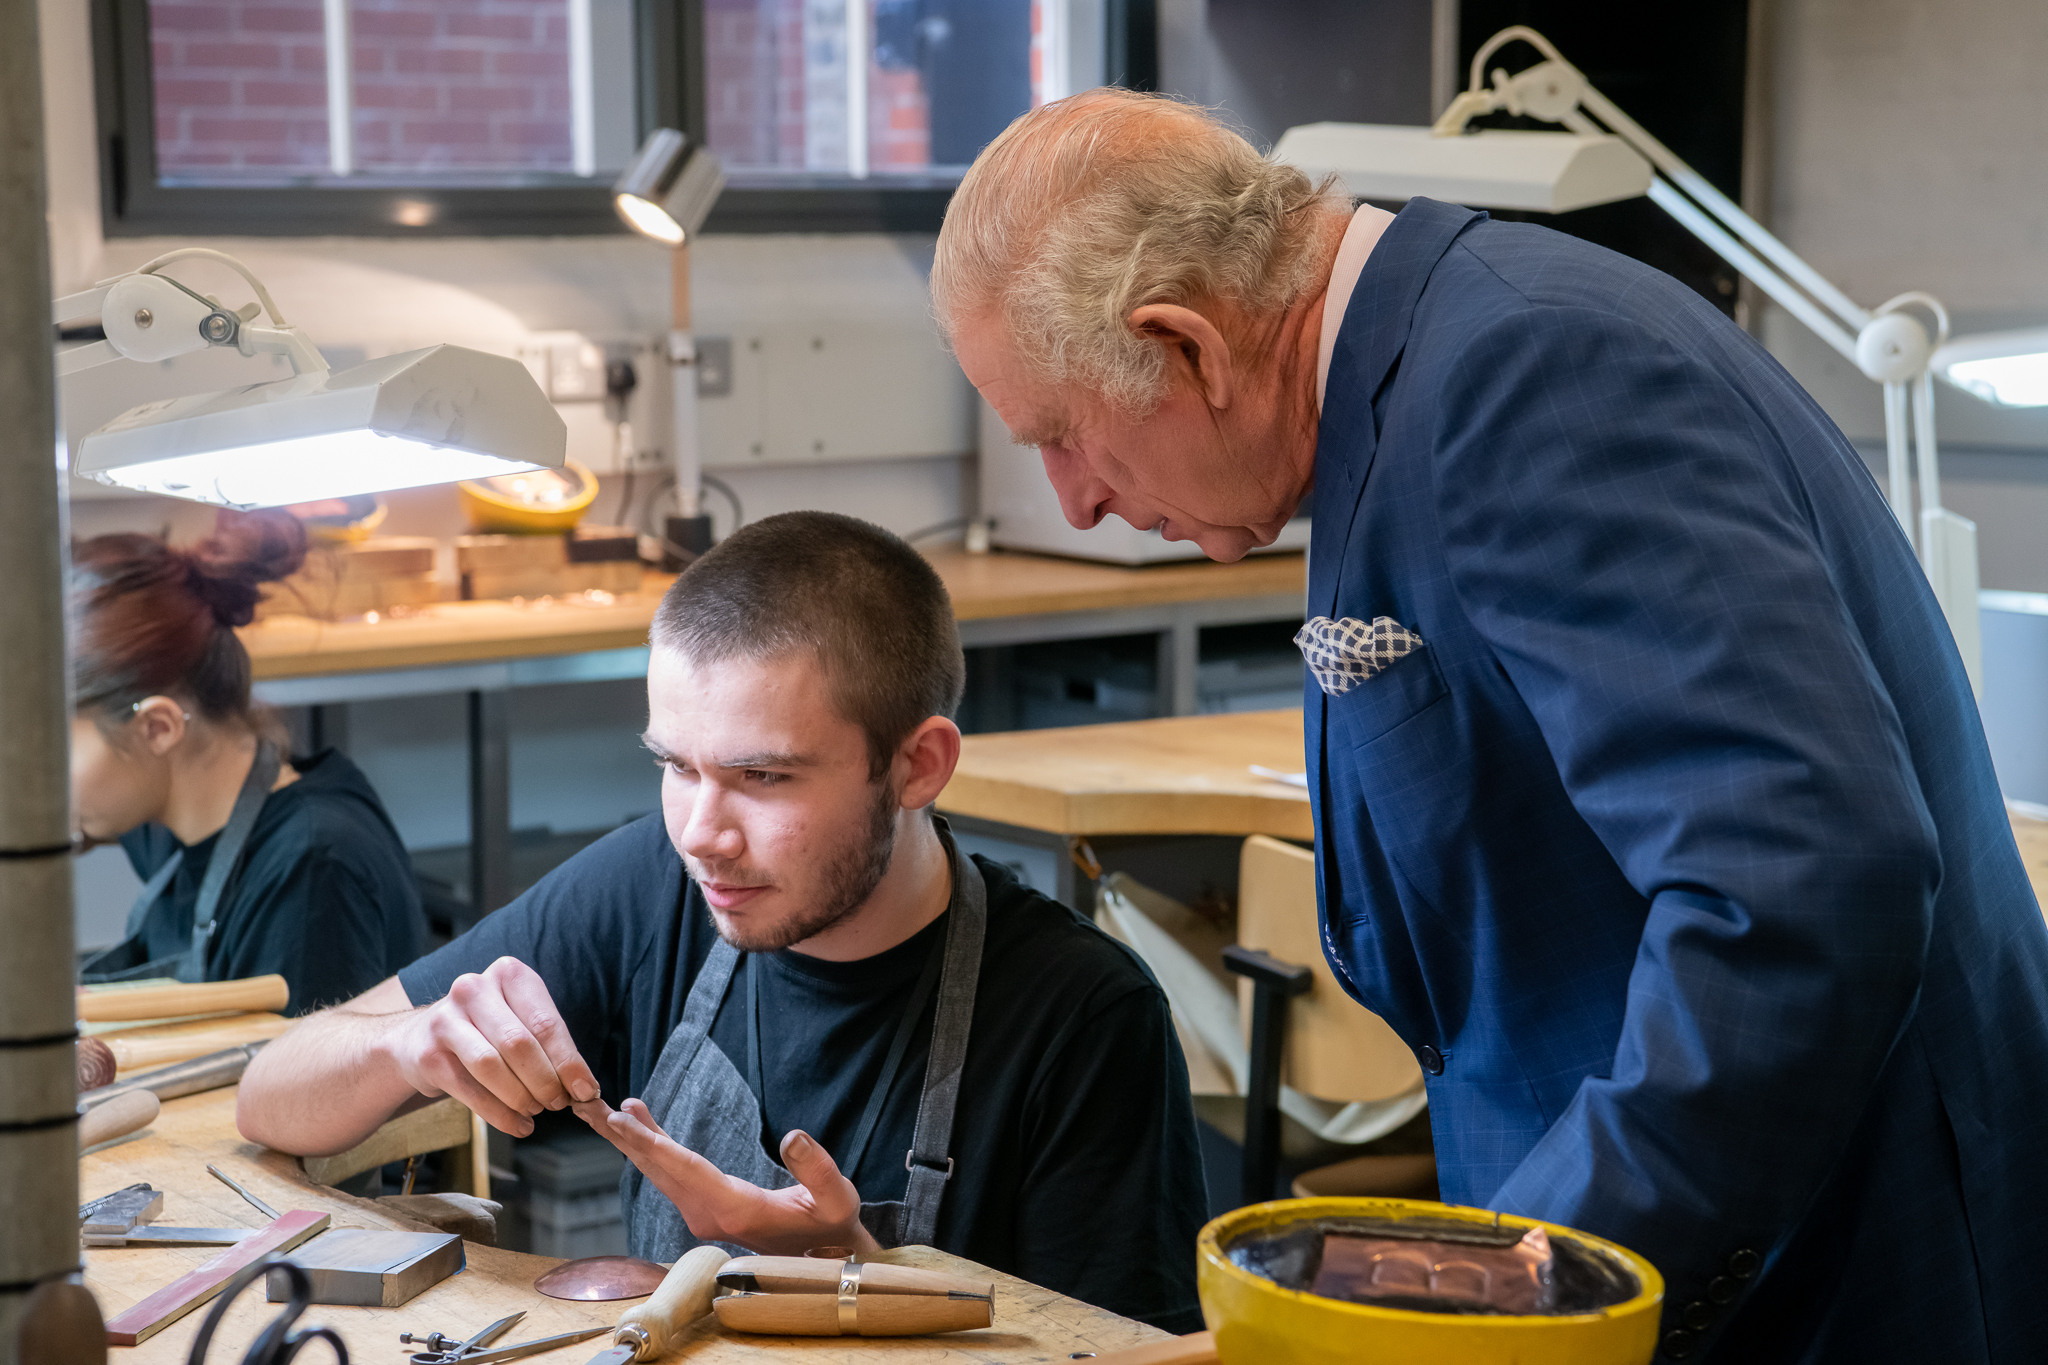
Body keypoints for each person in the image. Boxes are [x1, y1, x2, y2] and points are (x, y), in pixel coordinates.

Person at [933, 89, 2048, 1362]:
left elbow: (1800, 889)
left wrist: (1519, 1298)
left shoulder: (1524, 375)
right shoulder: (1419, 374)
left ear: (1184, 346)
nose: (1071, 504)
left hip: (1814, 1269)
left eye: (1063, 438)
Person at [236, 511, 1207, 1332]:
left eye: (762, 778)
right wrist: (406, 1046)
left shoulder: (1082, 1019)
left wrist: (853, 1274)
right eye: (675, 767)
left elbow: (1126, 1362)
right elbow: (269, 1096)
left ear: (918, 766)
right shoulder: (648, 888)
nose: (702, 834)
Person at [73, 511, 425, 1016]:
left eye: (56, 755)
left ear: (158, 727)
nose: (41, 786)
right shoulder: (176, 812)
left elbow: (312, 1094)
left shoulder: (311, 871)